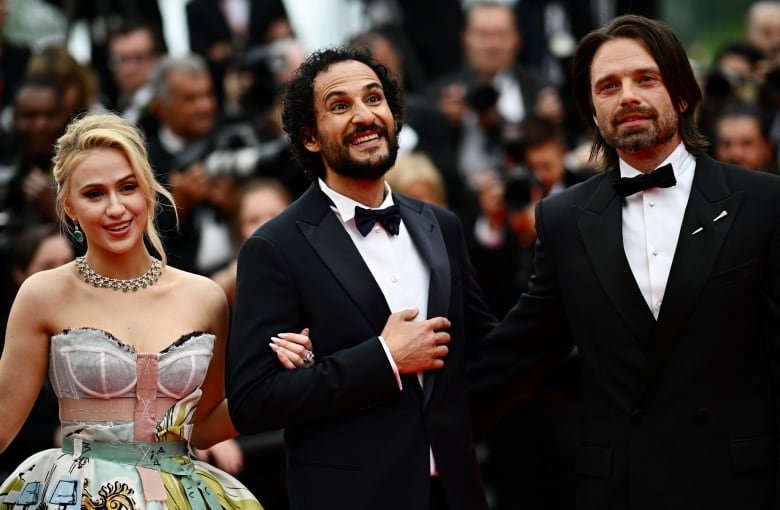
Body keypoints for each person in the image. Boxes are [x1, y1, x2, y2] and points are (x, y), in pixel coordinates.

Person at [469, 14, 780, 509]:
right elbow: (518, 352)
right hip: (620, 489)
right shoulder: (564, 218)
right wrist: (411, 422)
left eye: (645, 79)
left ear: (681, 95)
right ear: (592, 111)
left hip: (739, 484)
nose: (627, 96)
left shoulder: (763, 202)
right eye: (608, 86)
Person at [226, 47, 499, 510]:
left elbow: (489, 352)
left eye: (374, 99)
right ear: (310, 137)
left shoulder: (442, 226)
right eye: (340, 106)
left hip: (455, 491)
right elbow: (254, 400)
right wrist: (383, 359)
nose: (364, 115)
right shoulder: (275, 248)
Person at [0, 111, 309, 510]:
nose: (116, 208)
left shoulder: (205, 297)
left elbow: (203, 429)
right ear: (69, 207)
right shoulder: (43, 294)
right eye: (94, 194)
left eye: (127, 187)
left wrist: (276, 379)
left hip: (181, 494)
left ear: (148, 190)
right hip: (76, 494)